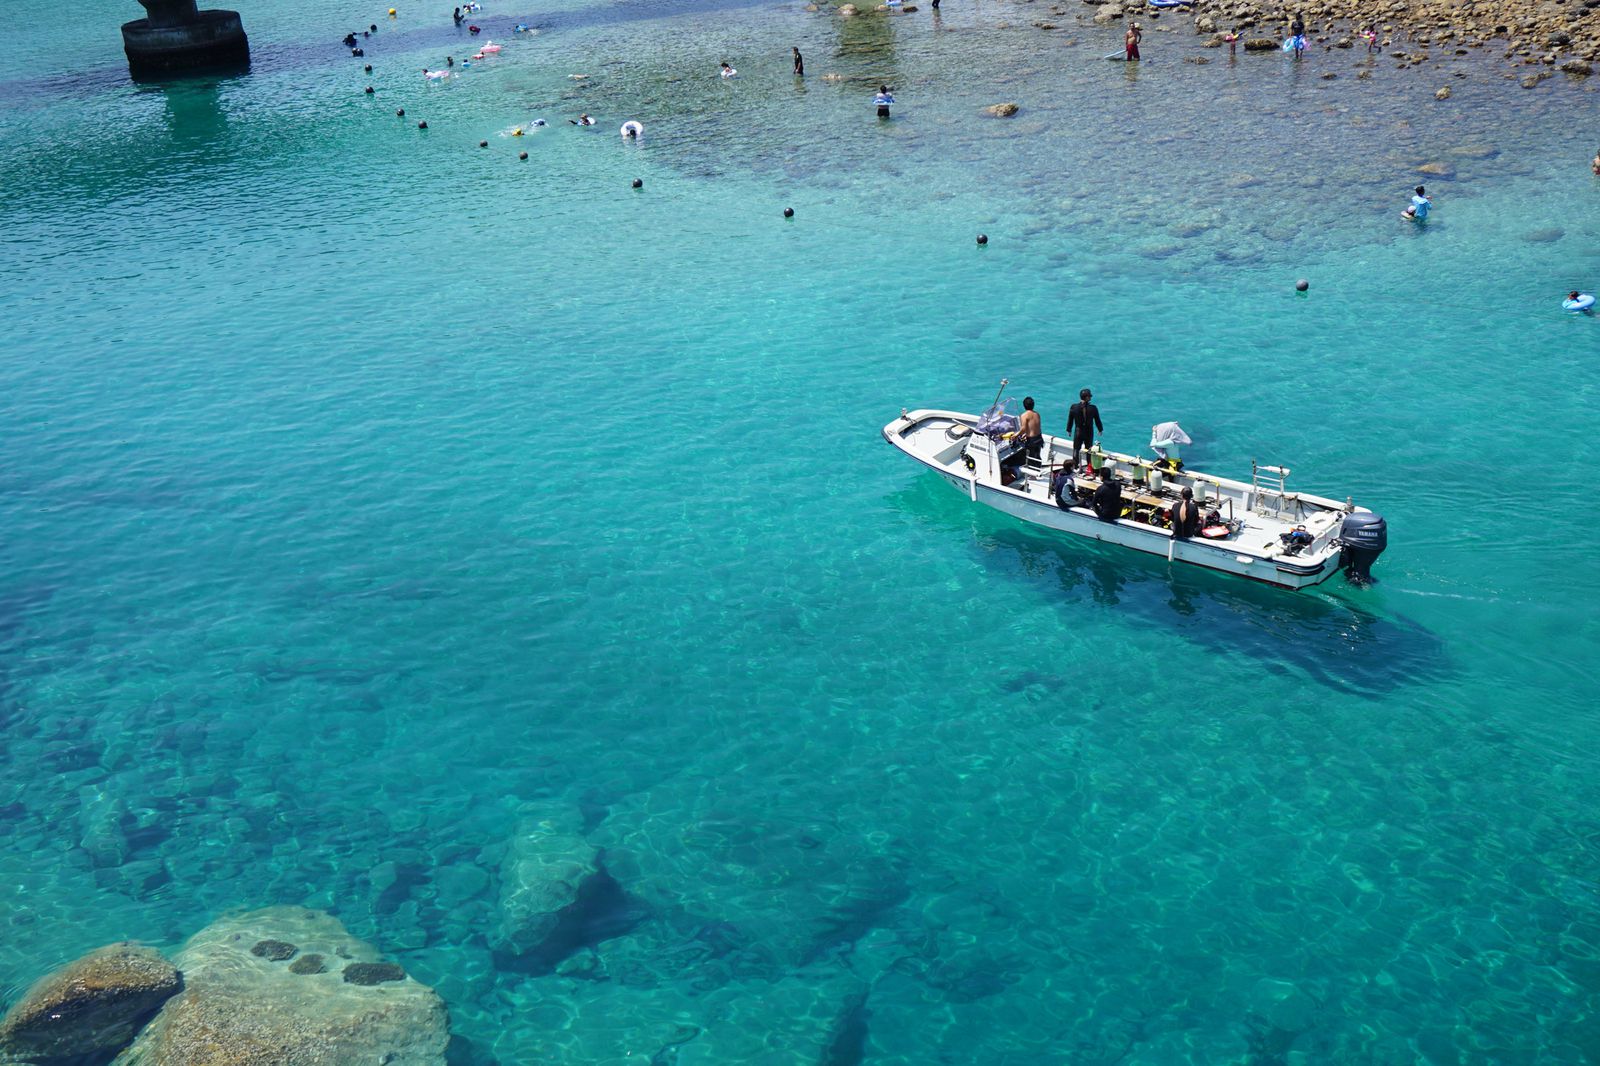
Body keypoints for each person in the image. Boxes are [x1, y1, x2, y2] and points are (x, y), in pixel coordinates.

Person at [1066, 388, 1103, 469]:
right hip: (1088, 432)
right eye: (1089, 396)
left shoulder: (1074, 407)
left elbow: (1070, 419)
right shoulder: (1093, 408)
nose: (1090, 398)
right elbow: (1097, 420)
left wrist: (1069, 430)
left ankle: (1075, 466)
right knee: (1089, 450)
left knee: (1076, 449)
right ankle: (1089, 467)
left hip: (1078, 431)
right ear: (1086, 397)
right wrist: (1100, 429)